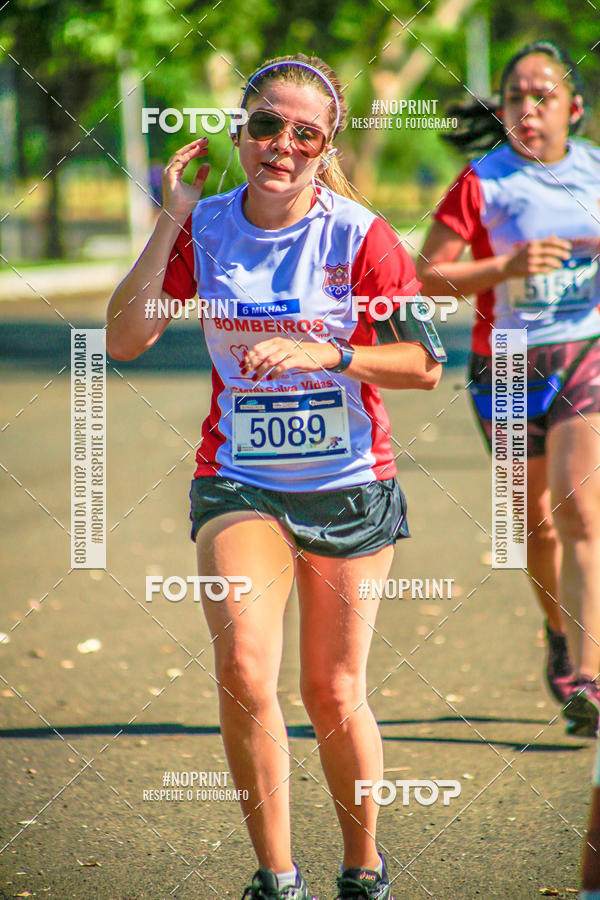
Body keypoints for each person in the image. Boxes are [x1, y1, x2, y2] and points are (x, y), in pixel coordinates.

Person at [107, 54, 444, 900]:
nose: (281, 146)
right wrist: (171, 221)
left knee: (332, 691)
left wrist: (328, 350)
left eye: (305, 133)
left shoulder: (358, 234)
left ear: (325, 147)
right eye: (265, 125)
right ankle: (276, 877)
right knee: (248, 676)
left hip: (349, 485)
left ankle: (363, 870)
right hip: (240, 482)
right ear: (239, 131)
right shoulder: (210, 227)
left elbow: (422, 363)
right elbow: (124, 339)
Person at [416, 41, 600, 735]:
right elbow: (426, 277)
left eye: (543, 95)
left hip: (587, 351)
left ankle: (590, 677)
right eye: (516, 96)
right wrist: (509, 264)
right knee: (538, 526)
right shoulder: (482, 181)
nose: (528, 107)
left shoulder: (596, 171)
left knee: (584, 512)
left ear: (573, 109)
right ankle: (560, 630)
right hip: (510, 364)